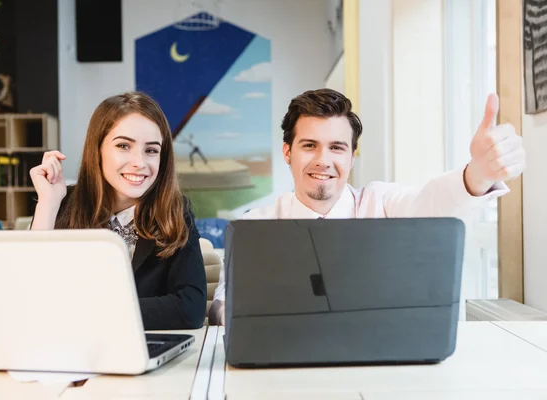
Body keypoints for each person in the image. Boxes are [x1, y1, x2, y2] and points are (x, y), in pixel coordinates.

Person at [208, 88, 525, 326]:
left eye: (336, 147)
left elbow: (429, 203)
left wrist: (478, 174)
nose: (323, 160)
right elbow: (222, 304)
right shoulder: (254, 225)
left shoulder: (382, 205)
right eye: (309, 146)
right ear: (287, 152)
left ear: (351, 156)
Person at [30, 91, 207, 330]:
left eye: (151, 150)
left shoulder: (175, 211)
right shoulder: (60, 203)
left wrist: (96, 313)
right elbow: (30, 296)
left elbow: (190, 309)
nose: (139, 162)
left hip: (142, 351)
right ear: (98, 149)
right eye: (124, 146)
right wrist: (48, 205)